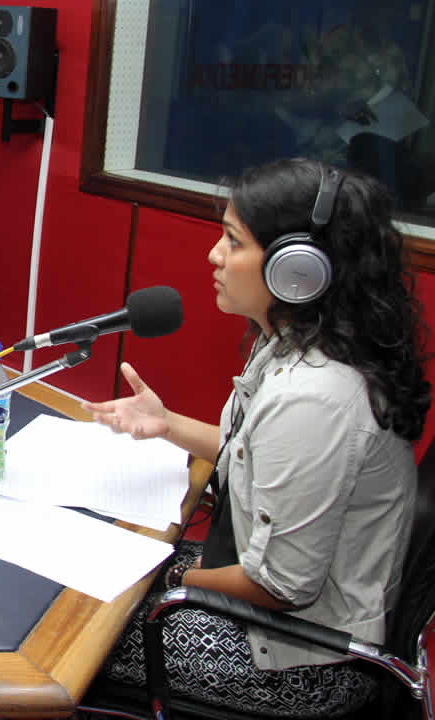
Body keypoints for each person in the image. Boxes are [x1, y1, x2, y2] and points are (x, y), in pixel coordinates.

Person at [82, 158, 429, 716]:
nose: (213, 255)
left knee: (80, 625)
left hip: (299, 660)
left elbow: (281, 587)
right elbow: (256, 454)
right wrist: (167, 424)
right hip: (284, 613)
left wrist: (160, 573)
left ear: (299, 269)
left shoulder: (316, 396)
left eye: (232, 241)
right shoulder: (301, 344)